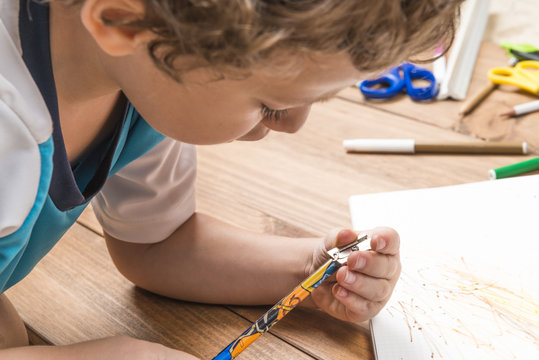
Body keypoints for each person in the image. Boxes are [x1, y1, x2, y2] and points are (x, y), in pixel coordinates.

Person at [0, 0, 462, 358]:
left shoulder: (147, 72)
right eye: (270, 104)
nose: (291, 125)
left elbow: (158, 244)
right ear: (123, 21)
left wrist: (311, 270)